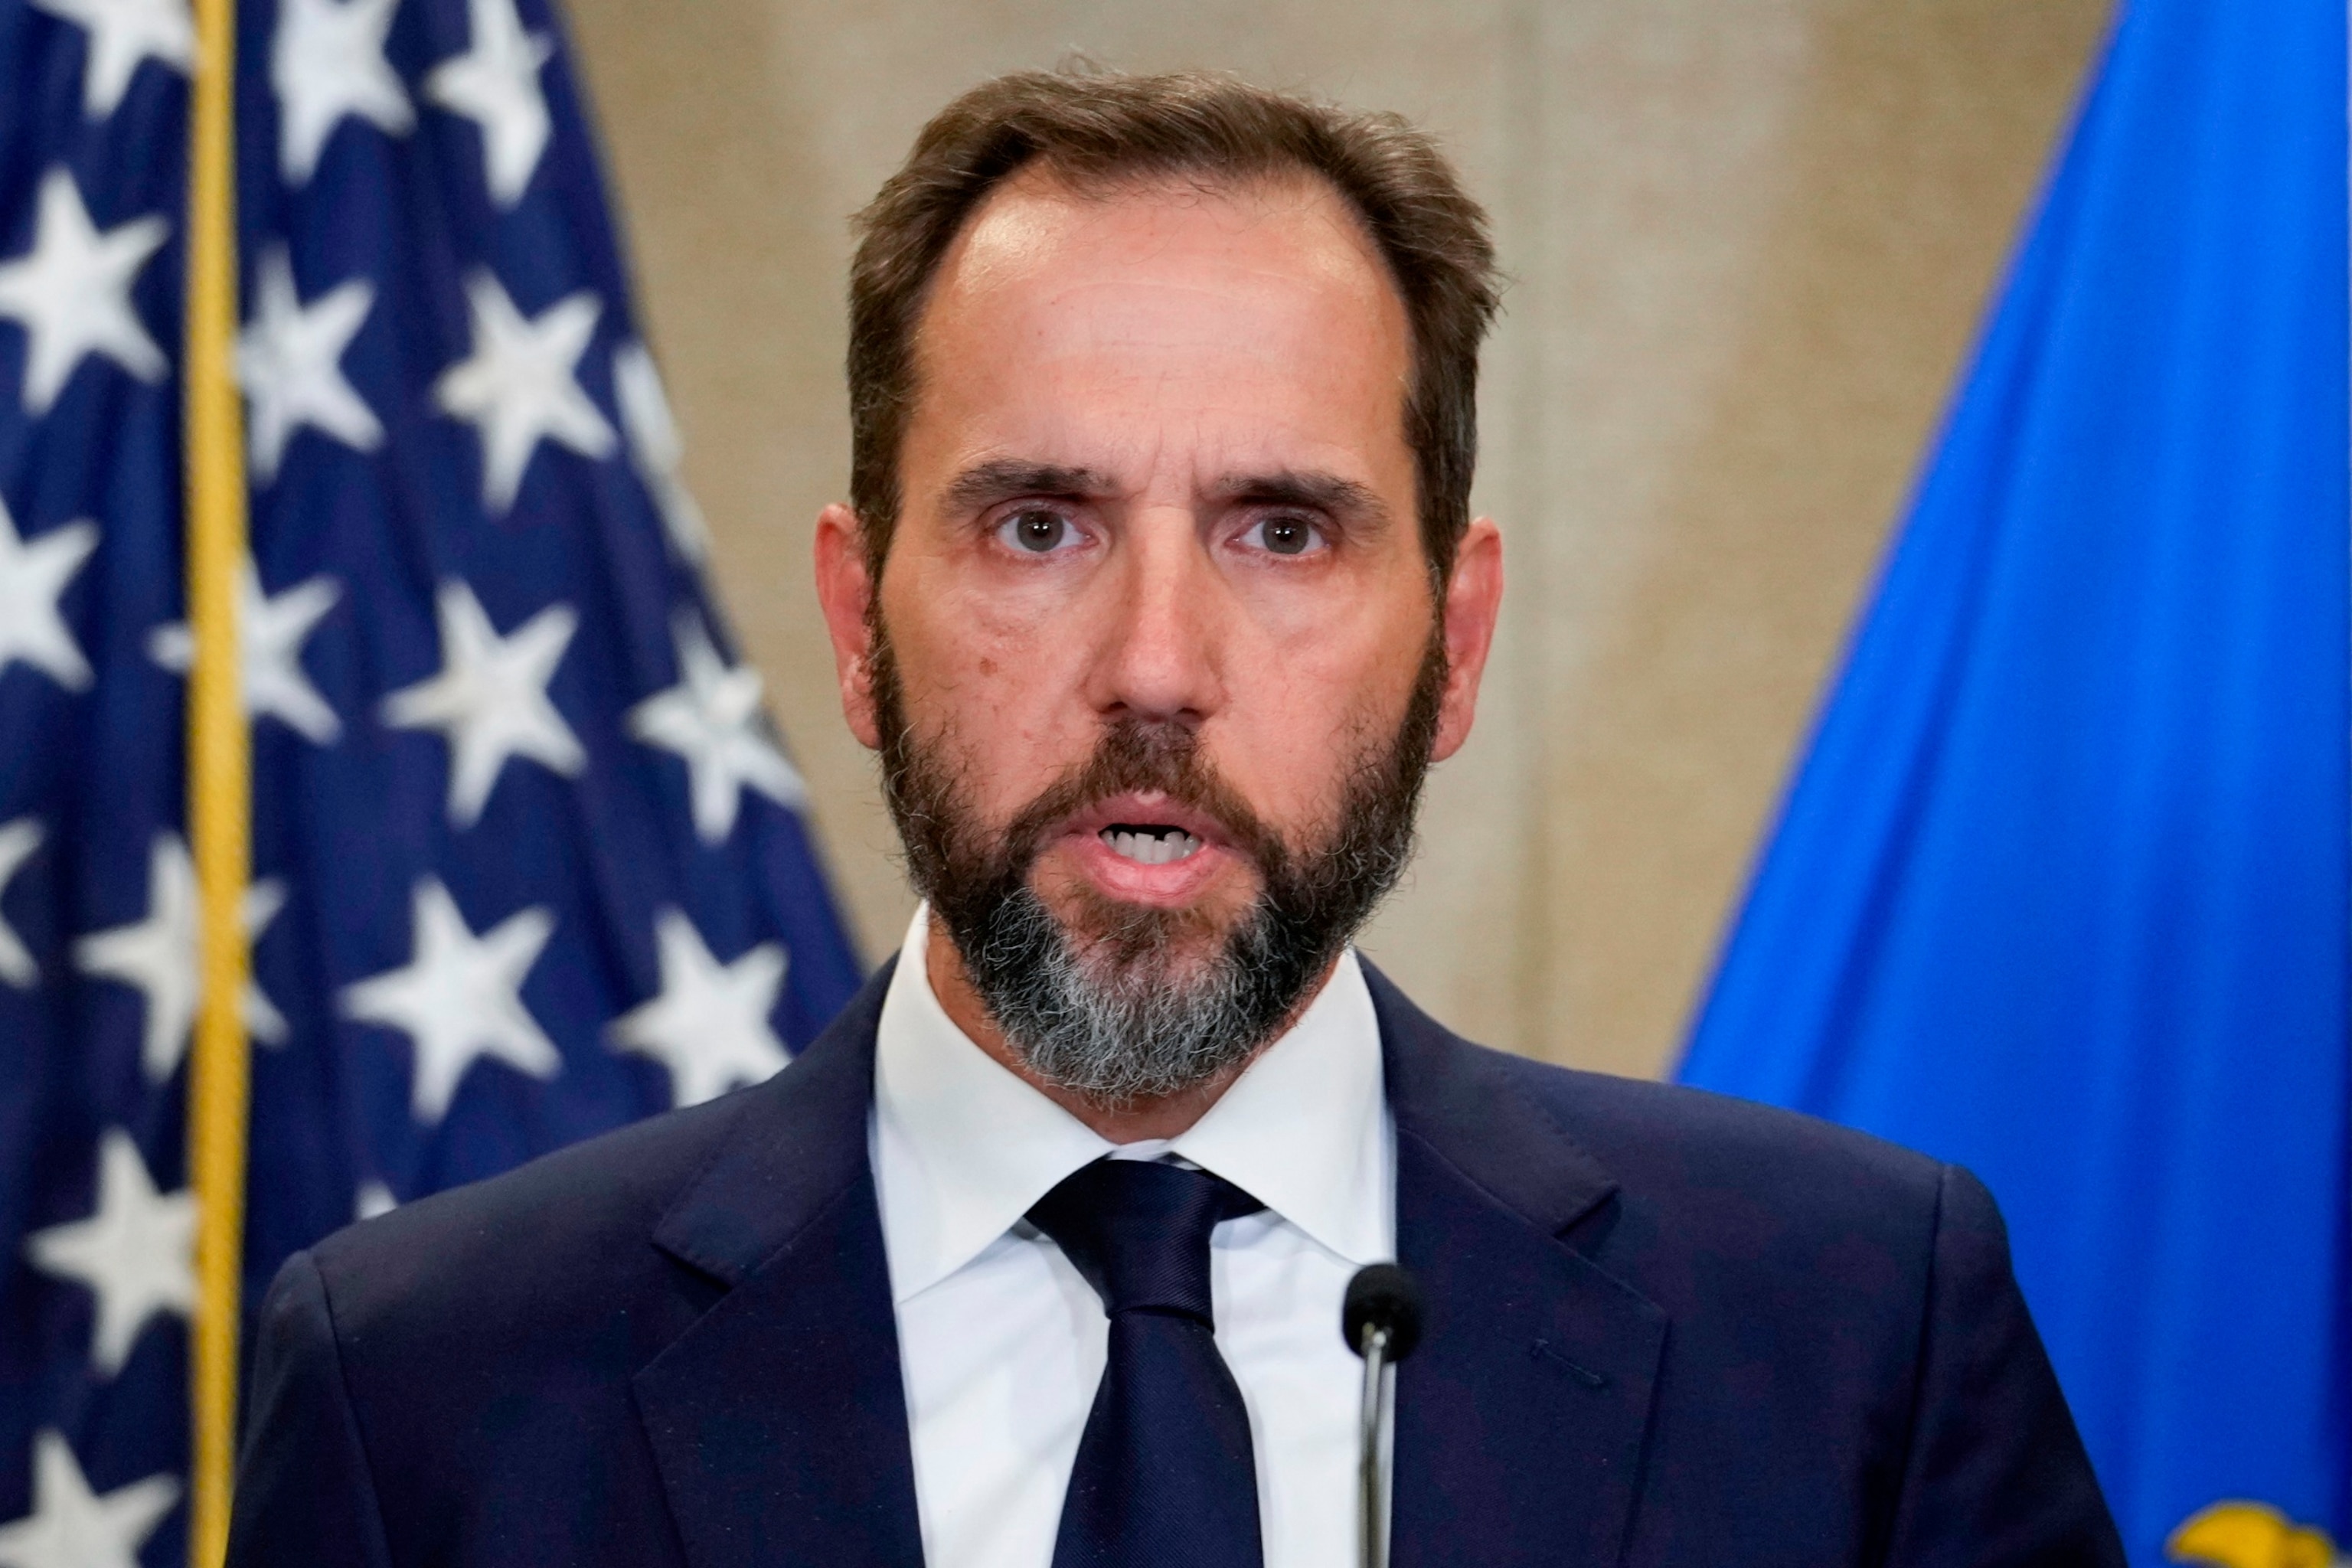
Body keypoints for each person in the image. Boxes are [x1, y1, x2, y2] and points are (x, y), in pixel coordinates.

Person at [227, 69, 2125, 1568]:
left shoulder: (1853, 1329)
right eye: (1037, 525)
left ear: (1454, 645)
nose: (1154, 662)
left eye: (1281, 531)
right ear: (855, 622)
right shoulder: (430, 1392)